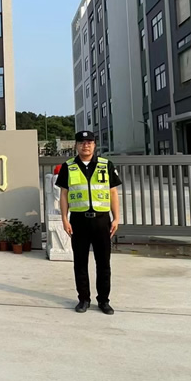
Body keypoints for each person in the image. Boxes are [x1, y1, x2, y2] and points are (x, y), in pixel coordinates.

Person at [55, 130, 121, 315]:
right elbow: (64, 194)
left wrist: (116, 218)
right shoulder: (68, 166)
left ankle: (104, 301)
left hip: (101, 221)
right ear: (76, 145)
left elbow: (113, 192)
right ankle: (83, 299)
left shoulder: (106, 165)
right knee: (80, 262)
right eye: (82, 142)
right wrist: (64, 219)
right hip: (79, 221)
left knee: (104, 263)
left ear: (94, 145)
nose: (86, 145)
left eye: (89, 142)